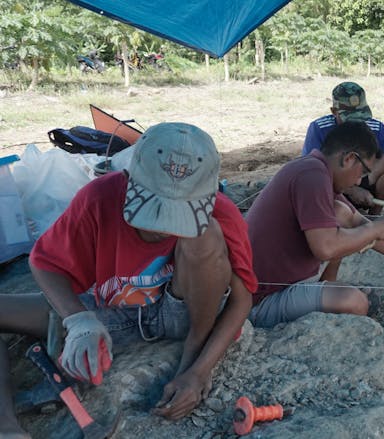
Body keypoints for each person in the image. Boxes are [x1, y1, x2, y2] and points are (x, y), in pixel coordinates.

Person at [0, 122, 257, 437]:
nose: (162, 229)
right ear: (130, 177)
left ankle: (193, 347)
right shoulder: (99, 198)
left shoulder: (221, 213)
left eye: (178, 216)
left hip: (181, 313)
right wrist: (79, 321)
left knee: (206, 234)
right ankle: (8, 428)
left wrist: (198, 372)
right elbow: (44, 263)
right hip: (114, 310)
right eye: (153, 210)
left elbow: (242, 299)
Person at [246, 121, 384, 328]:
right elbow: (326, 248)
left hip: (283, 284)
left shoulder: (316, 170)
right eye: (362, 173)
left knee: (341, 214)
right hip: (261, 300)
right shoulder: (312, 176)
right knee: (355, 302)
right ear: (349, 158)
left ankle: (324, 288)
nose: (359, 182)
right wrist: (374, 228)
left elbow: (354, 220)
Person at [302, 81, 384, 215]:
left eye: (361, 117)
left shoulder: (376, 128)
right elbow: (312, 173)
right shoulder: (319, 128)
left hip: (366, 181)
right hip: (333, 185)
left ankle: (374, 215)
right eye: (350, 118)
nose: (356, 123)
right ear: (334, 112)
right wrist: (351, 190)